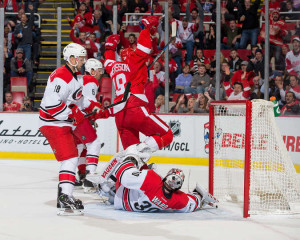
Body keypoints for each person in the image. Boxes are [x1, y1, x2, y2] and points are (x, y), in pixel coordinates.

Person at [39, 43, 104, 215]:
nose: (83, 62)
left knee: (71, 158)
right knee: (69, 159)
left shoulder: (74, 77)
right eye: (81, 59)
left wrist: (94, 107)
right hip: (53, 122)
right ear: (73, 59)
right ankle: (64, 197)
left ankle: (65, 196)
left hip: (60, 122)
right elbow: (51, 106)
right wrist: (72, 114)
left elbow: (79, 101)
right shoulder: (62, 77)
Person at [102, 16, 174, 156]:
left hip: (119, 113)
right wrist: (146, 28)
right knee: (167, 134)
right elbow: (145, 48)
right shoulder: (134, 60)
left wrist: (110, 46)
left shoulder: (113, 66)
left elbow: (108, 59)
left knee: (131, 153)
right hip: (134, 107)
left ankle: (134, 171)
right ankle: (142, 150)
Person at [87, 151, 218, 212]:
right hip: (125, 205)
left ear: (167, 176)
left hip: (121, 194)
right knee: (146, 170)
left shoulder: (152, 179)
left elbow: (125, 177)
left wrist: (131, 160)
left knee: (129, 157)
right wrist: (200, 196)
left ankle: (103, 187)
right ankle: (107, 191)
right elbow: (191, 204)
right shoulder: (177, 200)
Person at [76, 58, 105, 192]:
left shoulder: (81, 79)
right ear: (92, 71)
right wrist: (97, 108)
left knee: (80, 146)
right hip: (80, 117)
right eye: (99, 71)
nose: (101, 74)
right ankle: (89, 178)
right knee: (94, 143)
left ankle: (77, 177)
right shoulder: (91, 80)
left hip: (73, 117)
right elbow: (88, 101)